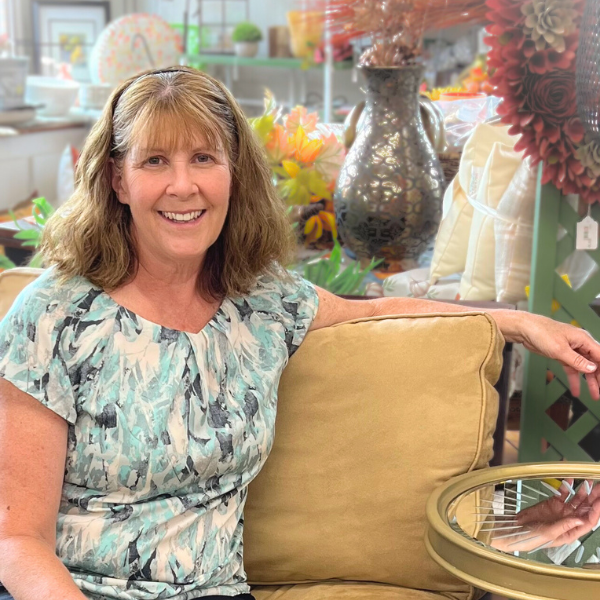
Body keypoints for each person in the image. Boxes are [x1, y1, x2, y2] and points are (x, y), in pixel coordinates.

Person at [0, 66, 599, 600]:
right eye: (154, 161)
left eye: (203, 159)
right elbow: (17, 542)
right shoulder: (54, 314)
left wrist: (516, 322)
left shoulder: (263, 300)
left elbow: (375, 315)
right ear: (117, 180)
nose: (183, 186)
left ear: (234, 175)